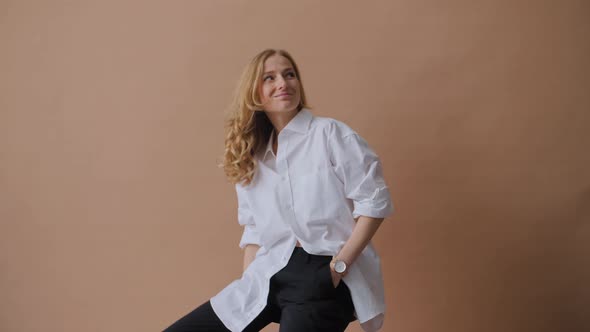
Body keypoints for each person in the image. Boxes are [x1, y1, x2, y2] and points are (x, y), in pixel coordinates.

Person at [163, 49, 394, 332]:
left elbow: (374, 202)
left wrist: (338, 269)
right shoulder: (252, 156)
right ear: (254, 93)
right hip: (270, 270)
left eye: (289, 74)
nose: (283, 83)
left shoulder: (331, 135)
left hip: (323, 273)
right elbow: (252, 229)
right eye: (269, 78)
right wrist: (251, 281)